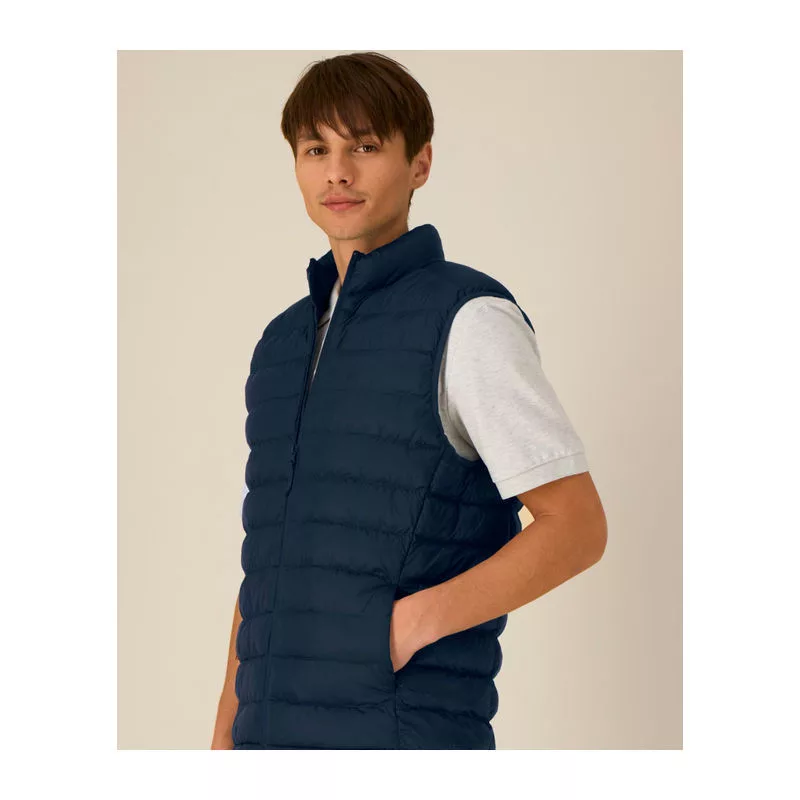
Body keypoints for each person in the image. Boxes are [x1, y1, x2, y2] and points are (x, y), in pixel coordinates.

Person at [212, 52, 607, 750]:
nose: (337, 172)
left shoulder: (469, 319)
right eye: (315, 150)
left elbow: (576, 526)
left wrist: (404, 628)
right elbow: (265, 567)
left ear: (419, 163)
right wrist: (224, 740)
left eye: (364, 146)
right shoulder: (282, 342)